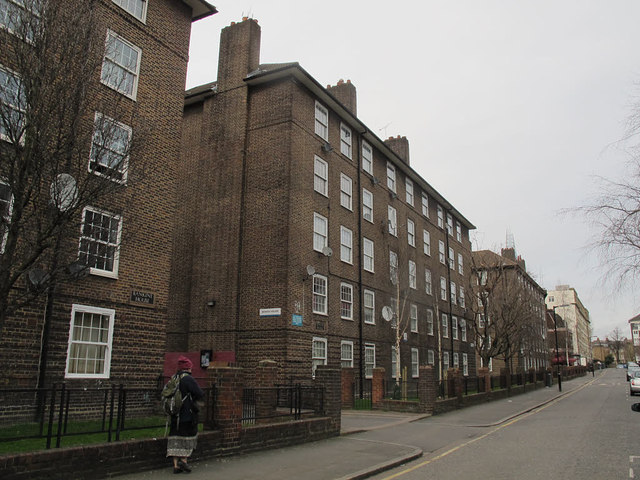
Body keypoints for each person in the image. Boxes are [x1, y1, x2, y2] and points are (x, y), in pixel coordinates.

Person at [166, 356, 204, 474]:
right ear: (188, 368)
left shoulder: (174, 378)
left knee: (175, 437)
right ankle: (184, 461)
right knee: (186, 437)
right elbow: (199, 393)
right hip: (186, 414)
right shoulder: (188, 379)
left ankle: (176, 465)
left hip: (174, 414)